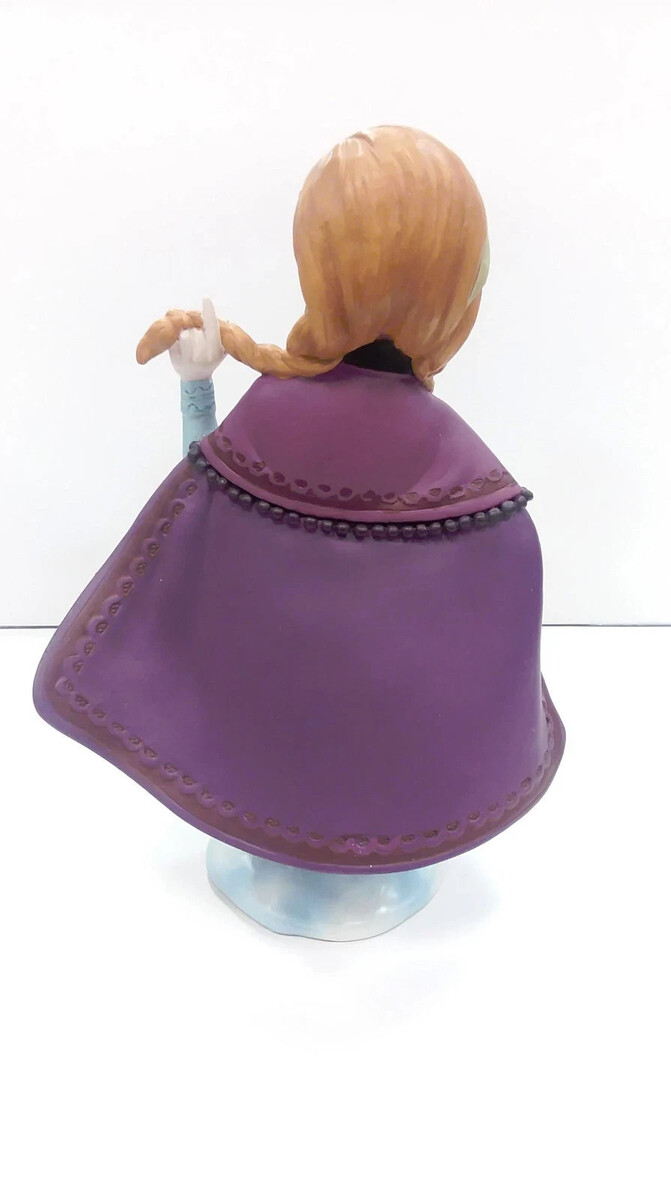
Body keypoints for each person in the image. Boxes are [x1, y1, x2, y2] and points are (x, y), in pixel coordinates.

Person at [34, 126, 564, 887]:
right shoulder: (480, 493)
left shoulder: (275, 418)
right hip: (393, 825)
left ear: (319, 267)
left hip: (263, 780)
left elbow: (200, 510)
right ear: (457, 290)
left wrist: (196, 389)